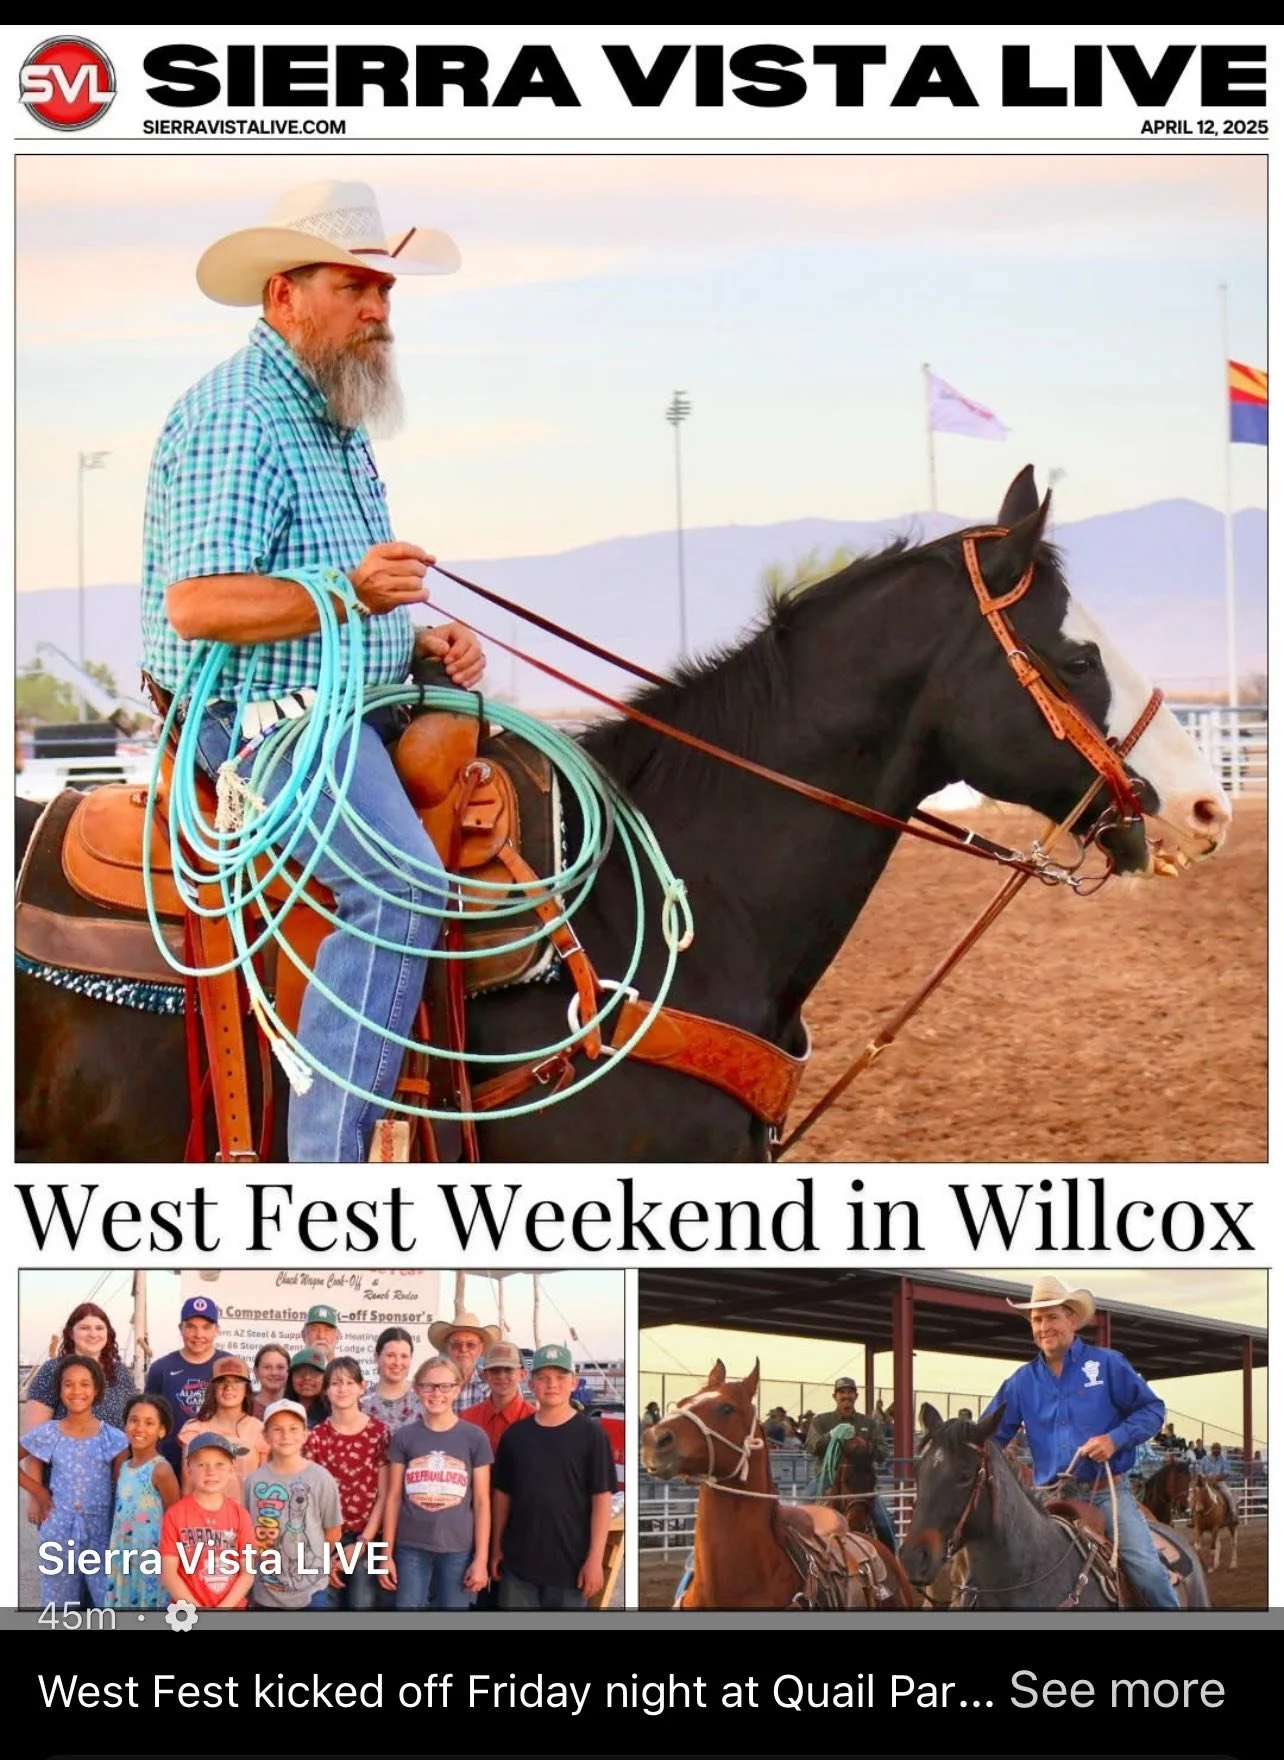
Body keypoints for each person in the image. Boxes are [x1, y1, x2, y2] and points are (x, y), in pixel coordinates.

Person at [141, 176, 486, 1163]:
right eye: (355, 287)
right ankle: (325, 1172)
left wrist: (419, 638)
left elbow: (337, 589)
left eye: (386, 291)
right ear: (284, 294)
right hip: (259, 719)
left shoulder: (335, 410)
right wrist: (352, 594)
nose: (379, 310)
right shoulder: (241, 415)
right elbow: (199, 601)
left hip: (347, 693)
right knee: (404, 883)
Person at [981, 1274, 1181, 1611]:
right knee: (986, 1578)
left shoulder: (1107, 1364)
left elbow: (1152, 1409)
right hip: (1045, 1499)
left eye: (1052, 1317)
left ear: (1072, 1319)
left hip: (1106, 1493)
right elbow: (987, 1438)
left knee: (1147, 1571)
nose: (1044, 1327)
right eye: (1037, 1319)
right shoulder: (1020, 1383)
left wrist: (1114, 1439)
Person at [491, 1342, 617, 1610]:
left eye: (560, 1377)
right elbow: (502, 1495)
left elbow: (602, 1499)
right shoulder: (515, 1436)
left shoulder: (592, 1435)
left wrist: (595, 1560)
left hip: (570, 1567)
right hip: (519, 1564)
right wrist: (496, 1547)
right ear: (532, 1383)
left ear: (574, 1382)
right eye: (543, 1378)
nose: (552, 1385)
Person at [383, 1356, 492, 1611]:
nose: (436, 1393)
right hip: (410, 1546)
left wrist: (482, 1558)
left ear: (457, 1389)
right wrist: (386, 1554)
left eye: (445, 1386)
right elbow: (393, 1497)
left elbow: (482, 1501)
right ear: (417, 1388)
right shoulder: (404, 1437)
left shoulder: (474, 1438)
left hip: (457, 1548)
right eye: (428, 1386)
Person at [18, 1357, 129, 1609]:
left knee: (107, 1602)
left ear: (97, 1390)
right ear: (60, 1390)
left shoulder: (114, 1438)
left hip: (101, 1533)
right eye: (68, 1384)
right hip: (58, 1531)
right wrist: (38, 1492)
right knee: (60, 1604)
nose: (76, 1391)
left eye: (84, 1384)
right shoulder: (49, 1432)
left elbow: (122, 1486)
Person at [21, 1301, 138, 1526]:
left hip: (112, 1492)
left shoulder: (121, 1374)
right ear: (71, 1333)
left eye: (99, 1327)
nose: (93, 1333)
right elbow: (34, 1445)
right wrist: (36, 1495)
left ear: (108, 1334)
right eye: (85, 1327)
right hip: (63, 1495)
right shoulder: (53, 1371)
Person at [304, 1357, 391, 1610]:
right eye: (335, 1383)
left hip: (369, 1536)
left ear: (362, 1387)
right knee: (324, 1604)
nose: (342, 1389)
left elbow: (384, 1496)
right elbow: (311, 1498)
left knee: (362, 1603)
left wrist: (363, 1543)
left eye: (349, 1382)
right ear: (326, 1390)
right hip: (327, 1538)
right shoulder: (316, 1436)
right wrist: (327, 1550)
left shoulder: (378, 1433)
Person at [244, 1399, 343, 1611]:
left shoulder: (320, 1478)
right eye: (277, 1429)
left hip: (312, 1591)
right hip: (266, 1591)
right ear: (265, 1436)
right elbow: (246, 1531)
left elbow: (333, 1531)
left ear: (305, 1434)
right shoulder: (253, 1481)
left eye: (293, 1429)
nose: (286, 1436)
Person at [160, 1432, 257, 1611]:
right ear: (188, 1470)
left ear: (231, 1469)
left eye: (220, 1464)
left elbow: (247, 1573)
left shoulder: (240, 1515)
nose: (211, 1472)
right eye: (202, 1464)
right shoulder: (175, 1515)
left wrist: (222, 1610)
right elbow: (168, 1574)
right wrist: (198, 1610)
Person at [803, 1377, 897, 1554]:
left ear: (856, 1396)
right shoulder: (822, 1421)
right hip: (826, 1478)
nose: (846, 1396)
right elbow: (811, 1447)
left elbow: (884, 1452)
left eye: (850, 1392)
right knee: (801, 1511)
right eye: (842, 1392)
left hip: (860, 1482)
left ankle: (893, 1560)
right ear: (835, 1396)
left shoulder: (868, 1424)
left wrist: (866, 1445)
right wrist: (832, 1435)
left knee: (885, 1523)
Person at [106, 1393, 180, 1610]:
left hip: (150, 1555)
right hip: (123, 1551)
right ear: (125, 1424)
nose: (139, 1428)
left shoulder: (161, 1470)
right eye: (134, 1420)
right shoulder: (125, 1466)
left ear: (162, 1430)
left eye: (149, 1423)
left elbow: (173, 1515)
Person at [144, 1294, 221, 1473]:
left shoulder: (227, 1365)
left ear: (217, 1329)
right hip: (169, 1464)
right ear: (180, 1328)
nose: (198, 1335)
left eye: (206, 1327)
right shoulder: (161, 1368)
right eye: (191, 1327)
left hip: (215, 1465)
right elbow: (149, 1418)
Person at [177, 1356, 269, 1490]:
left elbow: (263, 1486)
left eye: (237, 1381)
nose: (229, 1387)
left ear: (246, 1389)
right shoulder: (194, 1429)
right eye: (222, 1381)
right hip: (203, 1510)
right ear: (213, 1388)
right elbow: (187, 1486)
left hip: (245, 1510)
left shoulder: (259, 1430)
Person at [460, 1341, 536, 1451]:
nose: (501, 1376)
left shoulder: (535, 1420)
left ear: (522, 1374)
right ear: (485, 1375)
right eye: (494, 1370)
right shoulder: (467, 1419)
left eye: (508, 1370)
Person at [426, 1310, 502, 1412]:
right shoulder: (433, 1383)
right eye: (456, 1344)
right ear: (447, 1347)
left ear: (480, 1349)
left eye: (470, 1345)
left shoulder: (492, 1384)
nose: (463, 1349)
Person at [361, 1326, 419, 1431]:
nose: (397, 1362)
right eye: (391, 1355)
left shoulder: (423, 1398)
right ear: (376, 1357)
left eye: (404, 1356)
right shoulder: (362, 1402)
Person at [285, 1347, 331, 1428]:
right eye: (300, 1372)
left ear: (325, 1378)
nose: (307, 1377)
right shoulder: (281, 1409)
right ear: (291, 1378)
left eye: (314, 1372)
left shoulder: (334, 1412)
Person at [251, 1344, 291, 1419]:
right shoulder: (245, 1408)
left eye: (280, 1367)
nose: (274, 1373)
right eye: (267, 1367)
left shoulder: (296, 1408)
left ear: (289, 1371)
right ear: (256, 1371)